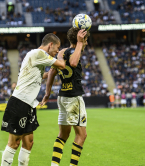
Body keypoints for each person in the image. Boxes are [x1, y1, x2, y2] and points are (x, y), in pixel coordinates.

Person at [0, 33, 66, 166]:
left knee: (28, 143)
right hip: (20, 102)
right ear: (50, 44)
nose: (57, 51)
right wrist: (63, 54)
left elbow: (40, 75)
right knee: (14, 143)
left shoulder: (35, 56)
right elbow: (62, 64)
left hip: (28, 104)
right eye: (57, 48)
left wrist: (51, 73)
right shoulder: (38, 53)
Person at [40, 28, 89, 166]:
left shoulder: (61, 53)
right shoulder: (74, 52)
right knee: (81, 135)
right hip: (73, 98)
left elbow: (51, 73)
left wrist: (47, 94)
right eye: (86, 40)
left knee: (63, 135)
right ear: (81, 39)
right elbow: (73, 63)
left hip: (62, 98)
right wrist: (79, 43)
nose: (86, 43)